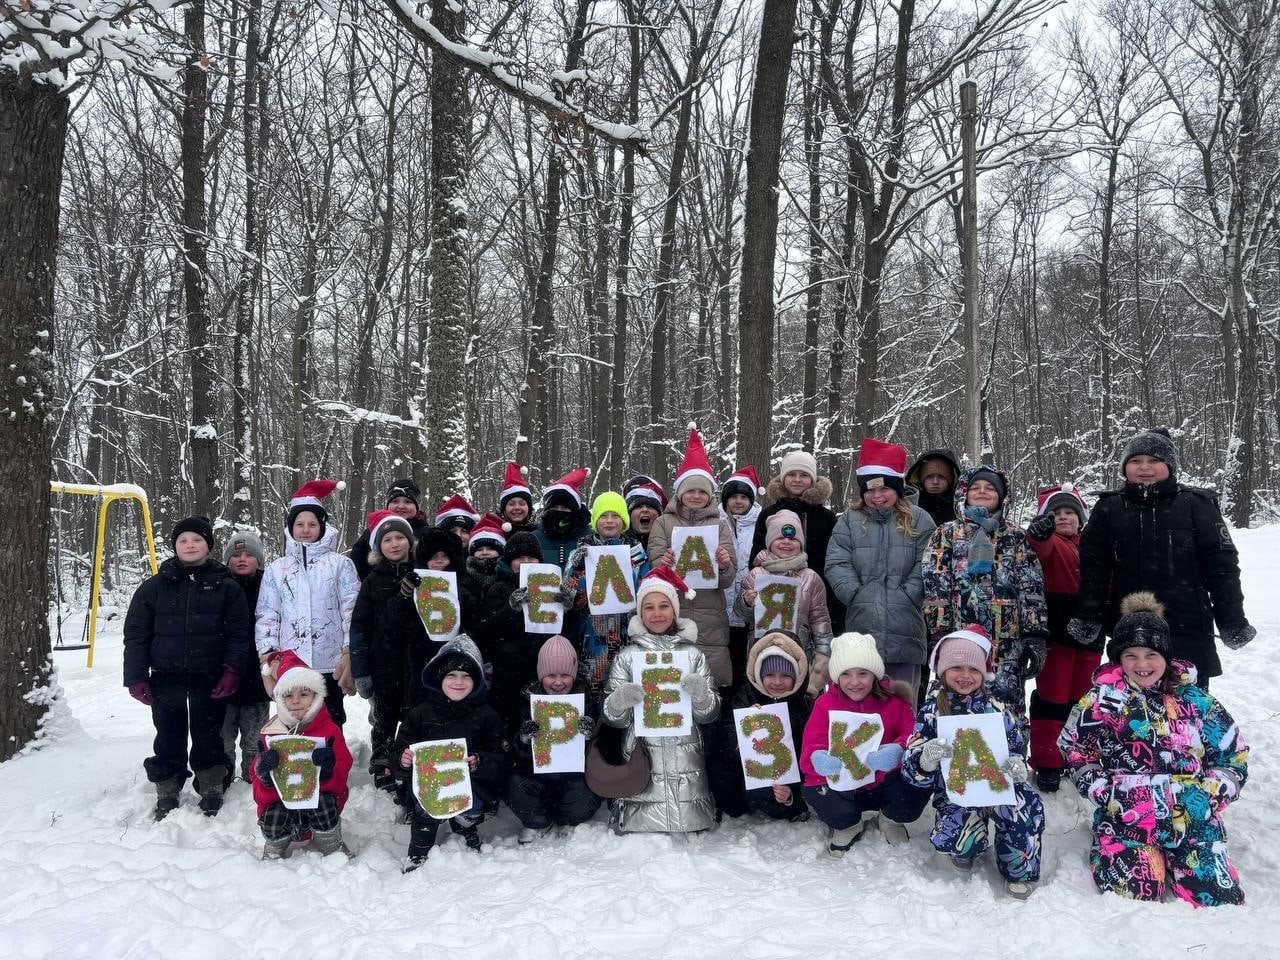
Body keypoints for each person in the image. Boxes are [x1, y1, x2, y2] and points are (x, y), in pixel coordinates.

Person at [1059, 593, 1248, 907]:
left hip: (1193, 819)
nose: (1142, 664)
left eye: (1151, 654)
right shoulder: (1102, 700)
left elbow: (1232, 754)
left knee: (1218, 899)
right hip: (1128, 818)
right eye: (1131, 655)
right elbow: (1076, 748)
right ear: (1119, 658)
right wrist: (1103, 791)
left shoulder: (1196, 700)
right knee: (1136, 895)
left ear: (1166, 655)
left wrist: (1210, 795)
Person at [1070, 428, 1255, 687]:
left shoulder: (1196, 504)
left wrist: (1232, 619)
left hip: (1188, 625)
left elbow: (1222, 568)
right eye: (1136, 460)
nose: (1145, 467)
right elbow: (1094, 569)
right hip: (1131, 628)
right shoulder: (1109, 508)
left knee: (1187, 701)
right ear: (1124, 467)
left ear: (1170, 465)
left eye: (1154, 460)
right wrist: (1088, 614)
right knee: (1134, 700)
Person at [123, 516, 253, 819]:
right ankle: (167, 788)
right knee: (168, 735)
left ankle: (211, 787)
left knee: (209, 736)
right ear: (175, 546)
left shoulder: (227, 588)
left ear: (208, 545)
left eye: (197, 540)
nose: (190, 545)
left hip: (210, 677)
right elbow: (136, 635)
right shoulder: (153, 588)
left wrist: (232, 670)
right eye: (183, 540)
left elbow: (238, 635)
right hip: (165, 677)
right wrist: (136, 677)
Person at [902, 626, 1045, 899]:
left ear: (984, 672)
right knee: (958, 836)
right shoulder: (931, 711)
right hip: (957, 791)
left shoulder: (998, 708)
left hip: (997, 786)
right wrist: (925, 760)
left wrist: (1017, 765)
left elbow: (1015, 746)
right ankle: (966, 847)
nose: (965, 676)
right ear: (942, 670)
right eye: (956, 667)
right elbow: (911, 768)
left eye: (973, 669)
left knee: (1023, 809)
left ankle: (1018, 868)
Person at [602, 567, 721, 834]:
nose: (657, 613)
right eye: (649, 607)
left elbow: (710, 713)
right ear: (640, 614)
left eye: (664, 606)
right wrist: (619, 701)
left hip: (686, 750)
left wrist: (702, 696)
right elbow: (612, 717)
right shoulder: (627, 656)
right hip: (643, 750)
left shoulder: (693, 655)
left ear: (675, 611)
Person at [921, 466, 1048, 707]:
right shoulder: (945, 534)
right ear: (964, 494)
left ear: (1002, 496)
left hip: (1007, 640)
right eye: (975, 488)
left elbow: (1030, 586)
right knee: (957, 700)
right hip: (959, 635)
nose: (982, 491)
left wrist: (1034, 634)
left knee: (1006, 704)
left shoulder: (1016, 536)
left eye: (990, 488)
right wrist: (938, 632)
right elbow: (935, 586)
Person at [826, 439, 936, 701]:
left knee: (902, 704)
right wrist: (856, 593)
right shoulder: (849, 521)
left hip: (905, 626)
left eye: (884, 488)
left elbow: (928, 562)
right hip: (862, 623)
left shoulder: (920, 519)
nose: (877, 496)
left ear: (897, 487)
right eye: (870, 490)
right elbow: (837, 561)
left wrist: (908, 594)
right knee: (863, 705)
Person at [801, 632, 926, 856]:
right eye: (846, 674)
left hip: (883, 782)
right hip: (845, 784)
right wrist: (818, 757)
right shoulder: (825, 704)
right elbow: (812, 742)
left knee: (919, 776)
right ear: (836, 677)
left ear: (874, 674)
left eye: (863, 673)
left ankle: (891, 819)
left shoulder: (895, 702)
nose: (855, 682)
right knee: (815, 787)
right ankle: (848, 824)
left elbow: (913, 735)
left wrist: (898, 750)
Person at [395, 636, 510, 870]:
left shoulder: (487, 716)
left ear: (476, 680)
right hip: (430, 787)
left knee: (470, 807)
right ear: (440, 678)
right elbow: (399, 748)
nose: (459, 682)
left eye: (466, 676)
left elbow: (501, 758)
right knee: (424, 811)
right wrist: (403, 760)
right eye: (452, 675)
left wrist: (479, 762)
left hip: (472, 786)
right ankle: (418, 851)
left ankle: (464, 825)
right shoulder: (420, 714)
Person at [256, 480, 360, 726]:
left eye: (312, 524)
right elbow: (267, 614)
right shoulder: (277, 569)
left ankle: (333, 751)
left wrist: (349, 651)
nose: (305, 529)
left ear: (322, 527)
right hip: (290, 662)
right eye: (299, 524)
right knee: (294, 718)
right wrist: (268, 655)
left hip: (331, 662)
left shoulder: (340, 565)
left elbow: (351, 611)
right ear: (290, 527)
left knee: (331, 719)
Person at [647, 426, 737, 688]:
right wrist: (663, 564)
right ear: (680, 493)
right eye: (690, 491)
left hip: (711, 615)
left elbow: (728, 579)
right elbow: (654, 569)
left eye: (702, 491)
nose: (696, 496)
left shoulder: (719, 525)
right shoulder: (663, 523)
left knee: (711, 680)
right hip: (672, 611)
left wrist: (724, 565)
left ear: (709, 495)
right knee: (672, 682)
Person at [1024, 483, 1095, 793]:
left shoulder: (1092, 544)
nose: (1063, 517)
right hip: (1055, 632)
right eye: (1056, 513)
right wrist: (1038, 534)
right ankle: (1048, 760)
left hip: (1090, 632)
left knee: (1083, 697)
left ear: (1081, 519)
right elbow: (1038, 549)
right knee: (1052, 697)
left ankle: (1079, 755)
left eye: (1070, 512)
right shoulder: (1049, 540)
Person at [250, 650, 353, 859]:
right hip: (282, 803)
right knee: (273, 817)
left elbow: (343, 771)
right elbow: (256, 783)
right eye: (289, 695)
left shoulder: (329, 731)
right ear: (280, 699)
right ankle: (274, 847)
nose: (296, 701)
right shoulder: (271, 733)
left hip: (318, 802)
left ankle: (331, 843)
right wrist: (265, 776)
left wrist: (328, 772)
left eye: (304, 694)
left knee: (324, 804)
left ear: (315, 696)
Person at [506, 635, 602, 844]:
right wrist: (523, 739)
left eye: (565, 675)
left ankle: (568, 819)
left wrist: (590, 735)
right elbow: (510, 750)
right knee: (515, 784)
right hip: (535, 776)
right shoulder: (527, 701)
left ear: (573, 675)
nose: (558, 682)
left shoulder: (586, 701)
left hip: (574, 778)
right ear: (541, 675)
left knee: (584, 798)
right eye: (551, 675)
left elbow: (601, 750)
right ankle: (537, 821)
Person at [560, 491, 648, 716]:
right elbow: (566, 599)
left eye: (615, 515)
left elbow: (646, 590)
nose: (609, 521)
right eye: (603, 516)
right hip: (591, 635)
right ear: (595, 520)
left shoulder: (636, 552)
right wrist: (576, 570)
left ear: (624, 521)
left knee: (625, 687)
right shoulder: (580, 551)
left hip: (626, 633)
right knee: (593, 691)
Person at [709, 630, 811, 822]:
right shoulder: (744, 697)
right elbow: (725, 737)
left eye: (785, 675)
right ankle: (734, 803)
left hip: (780, 775)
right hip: (745, 770)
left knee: (771, 796)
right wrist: (745, 725)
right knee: (718, 768)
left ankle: (793, 804)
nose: (777, 682)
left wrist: (791, 792)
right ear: (759, 674)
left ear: (796, 677)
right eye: (770, 674)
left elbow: (804, 753)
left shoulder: (803, 705)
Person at [349, 510, 417, 792]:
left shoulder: (424, 574)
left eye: (400, 537)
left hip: (415, 660)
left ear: (410, 541)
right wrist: (360, 671)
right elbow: (359, 627)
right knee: (384, 717)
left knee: (414, 715)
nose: (394, 544)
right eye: (387, 540)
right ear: (378, 547)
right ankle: (382, 761)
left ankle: (410, 760)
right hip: (383, 662)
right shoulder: (372, 581)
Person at [735, 510, 834, 686]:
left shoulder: (811, 578)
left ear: (801, 544)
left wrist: (823, 658)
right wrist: (747, 603)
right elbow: (742, 615)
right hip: (761, 655)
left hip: (800, 654)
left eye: (793, 539)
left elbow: (820, 621)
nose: (786, 542)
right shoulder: (755, 574)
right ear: (769, 542)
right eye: (780, 538)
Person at [751, 449, 843, 632]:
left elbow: (834, 559)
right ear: (783, 478)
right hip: (776, 595)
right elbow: (756, 555)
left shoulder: (826, 517)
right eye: (792, 474)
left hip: (818, 594)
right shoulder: (768, 514)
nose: (797, 480)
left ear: (813, 479)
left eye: (804, 475)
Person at [221, 529, 271, 788]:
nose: (242, 559)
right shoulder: (218, 585)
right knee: (223, 734)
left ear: (259, 560)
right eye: (236, 555)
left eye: (249, 555)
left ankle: (254, 773)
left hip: (257, 675)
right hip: (223, 673)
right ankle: (224, 771)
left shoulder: (269, 586)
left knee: (255, 734)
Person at [721, 465, 764, 688]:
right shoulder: (717, 522)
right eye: (733, 497)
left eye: (743, 497)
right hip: (722, 601)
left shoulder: (761, 522)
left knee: (746, 657)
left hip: (750, 600)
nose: (738, 501)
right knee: (726, 658)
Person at [348, 478, 431, 580]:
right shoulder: (371, 533)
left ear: (416, 507)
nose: (401, 506)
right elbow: (354, 568)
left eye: (408, 502)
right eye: (395, 501)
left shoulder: (428, 534)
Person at [534, 467, 593, 567]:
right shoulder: (534, 538)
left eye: (565, 508)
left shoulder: (590, 538)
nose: (559, 511)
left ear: (574, 511)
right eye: (554, 507)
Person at [904, 448, 960, 529]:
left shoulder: (961, 507)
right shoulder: (906, 507)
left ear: (952, 480)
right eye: (929, 477)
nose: (935, 482)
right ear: (920, 479)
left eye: (941, 477)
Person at [623, 475, 667, 554]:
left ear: (659, 514)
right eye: (638, 507)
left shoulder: (671, 543)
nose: (645, 510)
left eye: (650, 507)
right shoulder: (617, 545)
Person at [497, 461, 538, 534]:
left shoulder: (540, 534)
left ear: (529, 508)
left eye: (522, 504)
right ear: (504, 509)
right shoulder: (494, 535)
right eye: (511, 504)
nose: (517, 507)